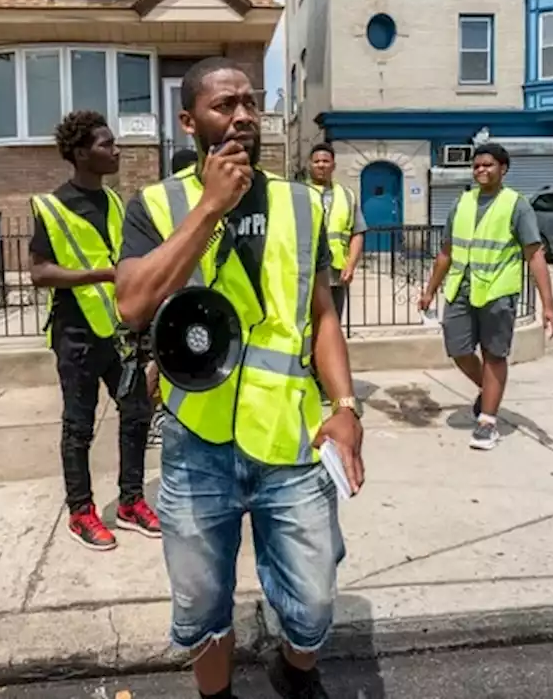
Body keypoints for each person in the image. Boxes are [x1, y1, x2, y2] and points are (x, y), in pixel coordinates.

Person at [116, 57, 364, 699]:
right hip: (197, 444)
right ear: (188, 120)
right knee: (201, 602)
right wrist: (210, 208)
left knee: (313, 601)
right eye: (225, 106)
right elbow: (133, 304)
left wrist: (346, 406)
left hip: (290, 438)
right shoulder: (156, 205)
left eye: (250, 103)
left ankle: (294, 669)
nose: (243, 116)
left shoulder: (304, 203)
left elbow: (322, 315)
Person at [28, 110, 159, 550]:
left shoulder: (118, 203)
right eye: (106, 144)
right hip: (77, 335)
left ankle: (131, 501)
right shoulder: (51, 206)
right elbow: (40, 272)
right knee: (79, 427)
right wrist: (104, 274)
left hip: (119, 332)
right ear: (81, 153)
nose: (116, 150)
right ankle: (81, 512)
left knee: (137, 413)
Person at [417, 143, 553, 451]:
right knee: (458, 349)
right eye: (477, 165)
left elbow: (534, 255)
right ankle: (490, 389)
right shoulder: (462, 202)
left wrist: (548, 305)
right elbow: (446, 252)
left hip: (498, 291)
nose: (481, 170)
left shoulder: (516, 205)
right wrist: (429, 290)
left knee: (495, 354)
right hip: (461, 290)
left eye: (488, 165)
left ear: (503, 169)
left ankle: (487, 422)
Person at [143, 147, 204, 449]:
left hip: (172, 301)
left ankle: (152, 419)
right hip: (180, 301)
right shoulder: (186, 205)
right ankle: (153, 419)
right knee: (164, 365)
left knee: (165, 363)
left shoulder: (162, 204)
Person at [306, 143, 367, 320]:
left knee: (332, 322)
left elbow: (357, 233)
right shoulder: (297, 193)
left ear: (333, 165)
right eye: (316, 161)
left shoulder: (347, 195)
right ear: (310, 164)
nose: (321, 165)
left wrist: (351, 265)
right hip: (304, 273)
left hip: (335, 274)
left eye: (326, 161)